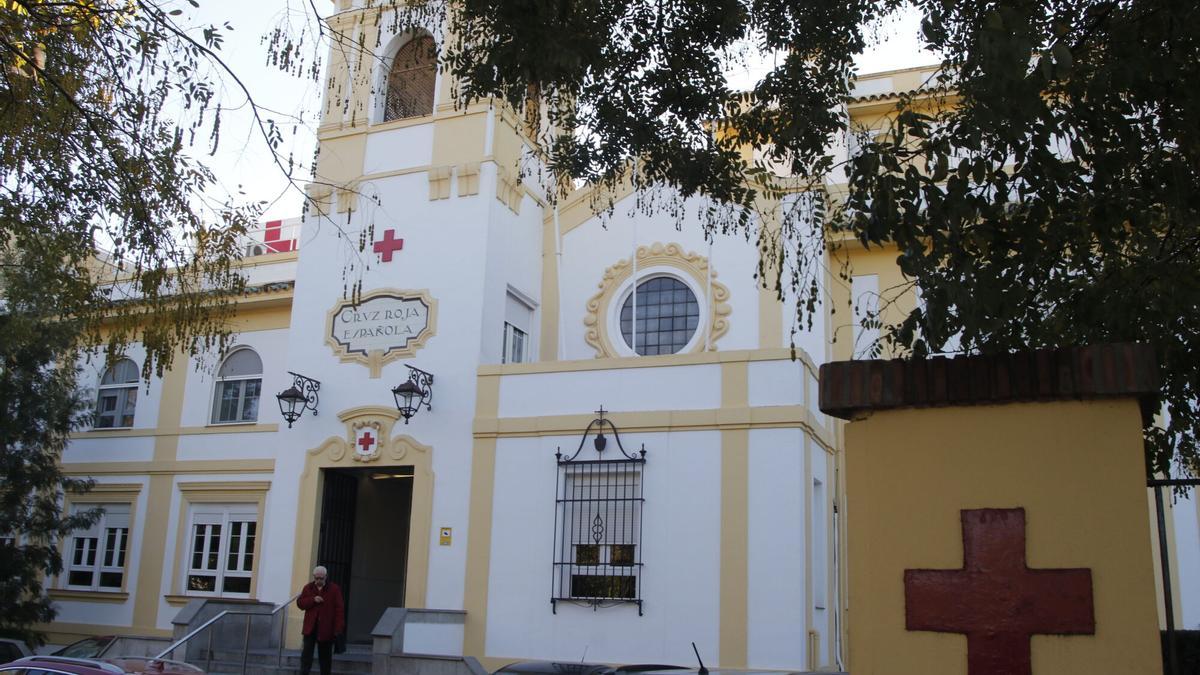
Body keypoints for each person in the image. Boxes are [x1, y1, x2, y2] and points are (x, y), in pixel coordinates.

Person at [297, 565, 344, 675]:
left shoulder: (334, 589)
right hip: (310, 628)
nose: (318, 581)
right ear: (314, 577)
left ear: (326, 577)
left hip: (326, 628)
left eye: (321, 578)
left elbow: (339, 609)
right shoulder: (308, 588)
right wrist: (313, 600)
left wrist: (338, 628)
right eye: (316, 578)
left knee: (325, 659)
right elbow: (300, 603)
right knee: (306, 657)